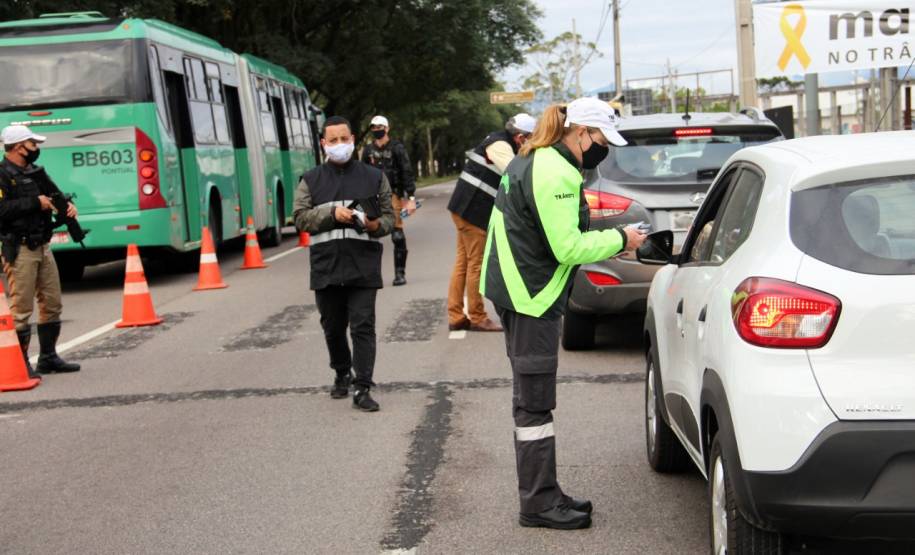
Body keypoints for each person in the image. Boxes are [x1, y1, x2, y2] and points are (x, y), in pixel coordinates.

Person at [480, 98, 647, 530]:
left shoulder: (536, 159)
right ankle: (537, 504)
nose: (602, 148)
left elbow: (551, 230)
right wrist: (621, 239)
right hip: (530, 296)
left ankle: (546, 491)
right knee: (534, 405)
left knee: (533, 401)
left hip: (519, 289)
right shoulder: (555, 171)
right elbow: (567, 247)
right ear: (579, 133)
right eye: (600, 139)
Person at [294, 116, 395, 412]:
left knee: (364, 326)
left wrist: (376, 225)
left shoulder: (374, 177)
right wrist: (331, 215)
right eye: (333, 140)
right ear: (324, 144)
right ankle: (341, 371)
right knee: (333, 327)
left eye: (344, 139)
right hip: (326, 266)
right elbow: (300, 218)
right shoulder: (310, 180)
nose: (340, 145)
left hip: (363, 264)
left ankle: (362, 387)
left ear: (353, 139)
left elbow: (389, 217)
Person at [0, 125, 81, 377]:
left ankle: (48, 357)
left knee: (53, 303)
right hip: (19, 247)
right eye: (32, 144)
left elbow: (55, 195)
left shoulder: (37, 172)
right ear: (17, 147)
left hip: (43, 246)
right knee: (21, 308)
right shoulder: (2, 175)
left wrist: (67, 206)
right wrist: (36, 203)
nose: (37, 148)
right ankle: (18, 361)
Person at [446, 113, 537, 333]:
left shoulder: (501, 141)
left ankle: (456, 315)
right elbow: (515, 173)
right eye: (531, 138)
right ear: (520, 137)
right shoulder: (500, 145)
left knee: (464, 263)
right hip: (473, 211)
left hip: (465, 208)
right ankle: (477, 317)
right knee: (476, 264)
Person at [361, 115, 416, 286]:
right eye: (374, 127)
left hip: (392, 194)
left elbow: (406, 171)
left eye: (380, 127)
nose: (377, 130)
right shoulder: (368, 151)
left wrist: (411, 197)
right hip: (372, 196)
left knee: (397, 234)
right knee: (370, 234)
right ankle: (371, 274)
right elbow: (361, 174)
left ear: (387, 128)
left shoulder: (397, 148)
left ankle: (400, 273)